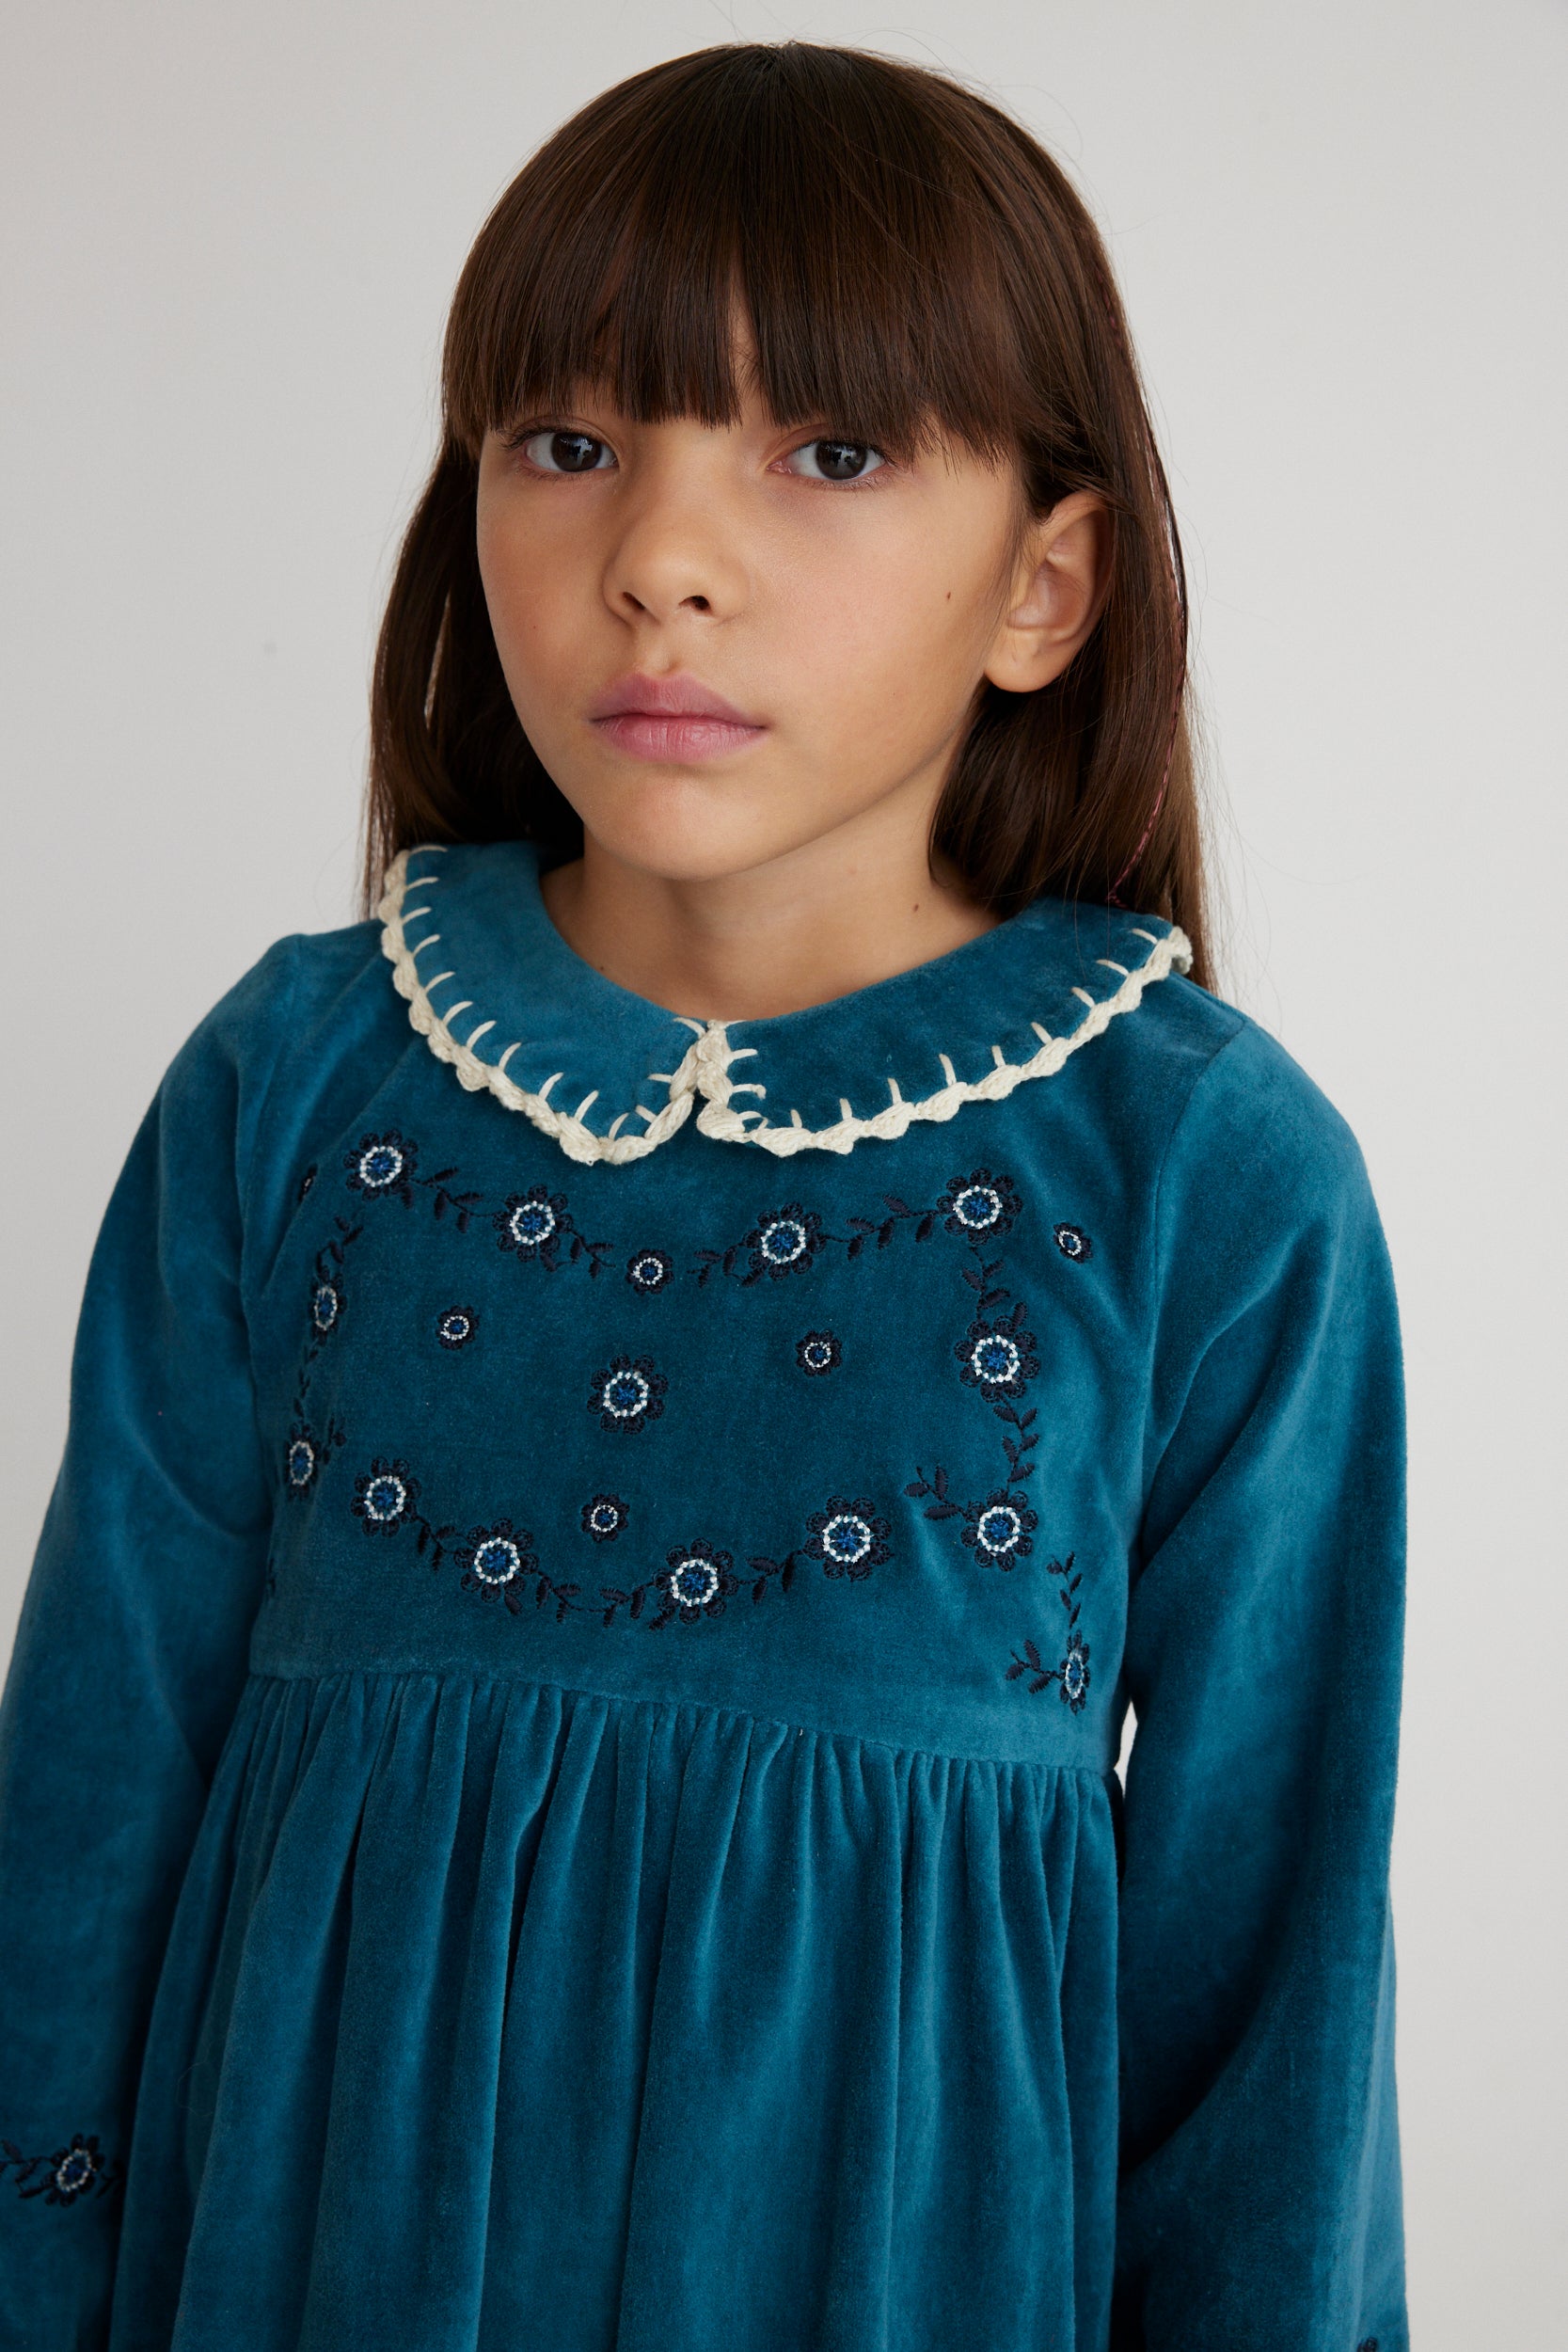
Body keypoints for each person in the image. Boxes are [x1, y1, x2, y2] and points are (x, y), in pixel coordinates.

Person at [0, 41, 1406, 2352]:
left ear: (1046, 581)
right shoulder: (292, 1080)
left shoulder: (1207, 1176)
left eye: (828, 453)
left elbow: (1273, 2027)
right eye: (567, 444)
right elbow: (82, 1822)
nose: (656, 558)